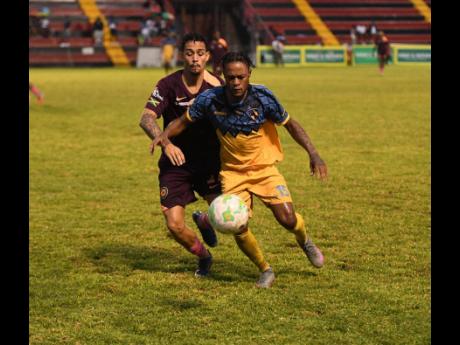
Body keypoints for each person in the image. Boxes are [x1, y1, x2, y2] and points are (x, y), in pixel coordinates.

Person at [153, 52, 327, 288]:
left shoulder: (263, 97)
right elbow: (183, 121)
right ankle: (265, 269)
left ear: (249, 75)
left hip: (264, 168)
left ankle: (304, 240)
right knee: (237, 225)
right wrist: (163, 137)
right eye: (230, 77)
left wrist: (313, 153)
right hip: (233, 173)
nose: (235, 83)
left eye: (241, 77)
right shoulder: (210, 100)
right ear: (223, 76)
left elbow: (291, 124)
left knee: (287, 219)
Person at [139, 33, 224, 278]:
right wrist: (166, 143)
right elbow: (146, 118)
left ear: (207, 56)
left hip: (208, 162)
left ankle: (206, 220)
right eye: (189, 53)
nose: (194, 59)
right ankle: (204, 257)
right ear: (181, 56)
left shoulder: (217, 86)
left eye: (200, 53)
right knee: (174, 225)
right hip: (175, 164)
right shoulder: (167, 84)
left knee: (225, 216)